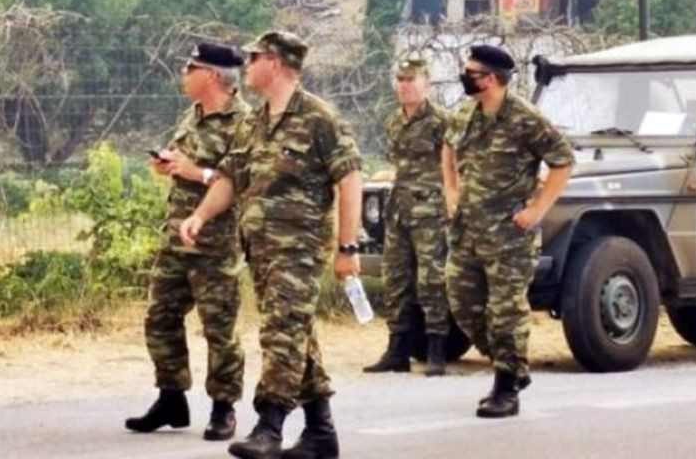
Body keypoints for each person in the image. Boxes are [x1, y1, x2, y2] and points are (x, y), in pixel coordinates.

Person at [179, 30, 363, 459]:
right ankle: (321, 431)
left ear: (276, 63)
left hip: (298, 250)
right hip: (259, 251)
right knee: (297, 334)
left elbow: (350, 178)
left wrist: (347, 247)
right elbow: (229, 177)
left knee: (281, 332)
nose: (247, 63)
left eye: (255, 56)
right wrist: (200, 215)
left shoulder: (320, 118)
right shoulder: (253, 122)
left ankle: (270, 424)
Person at [125, 41, 249, 441]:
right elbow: (185, 162)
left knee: (219, 328)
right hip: (177, 236)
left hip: (217, 243)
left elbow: (245, 181)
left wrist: (199, 173)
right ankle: (171, 397)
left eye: (190, 68)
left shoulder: (245, 123)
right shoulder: (193, 115)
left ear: (212, 76)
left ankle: (223, 408)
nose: (183, 73)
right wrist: (170, 166)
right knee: (160, 317)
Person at [442, 44, 574, 418]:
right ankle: (513, 366)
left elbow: (563, 161)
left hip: (509, 232)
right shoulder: (466, 113)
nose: (465, 78)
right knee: (463, 304)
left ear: (493, 79)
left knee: (505, 310)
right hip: (467, 229)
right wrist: (451, 191)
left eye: (472, 73)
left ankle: (506, 387)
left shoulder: (525, 118)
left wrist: (537, 209)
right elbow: (448, 149)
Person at [363, 55, 450, 377]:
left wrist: (451, 200)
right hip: (399, 211)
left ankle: (436, 347)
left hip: (430, 211)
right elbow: (398, 162)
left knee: (431, 279)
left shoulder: (441, 121)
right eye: (400, 80)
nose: (404, 86)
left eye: (411, 80)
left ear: (426, 83)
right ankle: (397, 349)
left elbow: (453, 164)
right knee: (395, 278)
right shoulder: (394, 121)